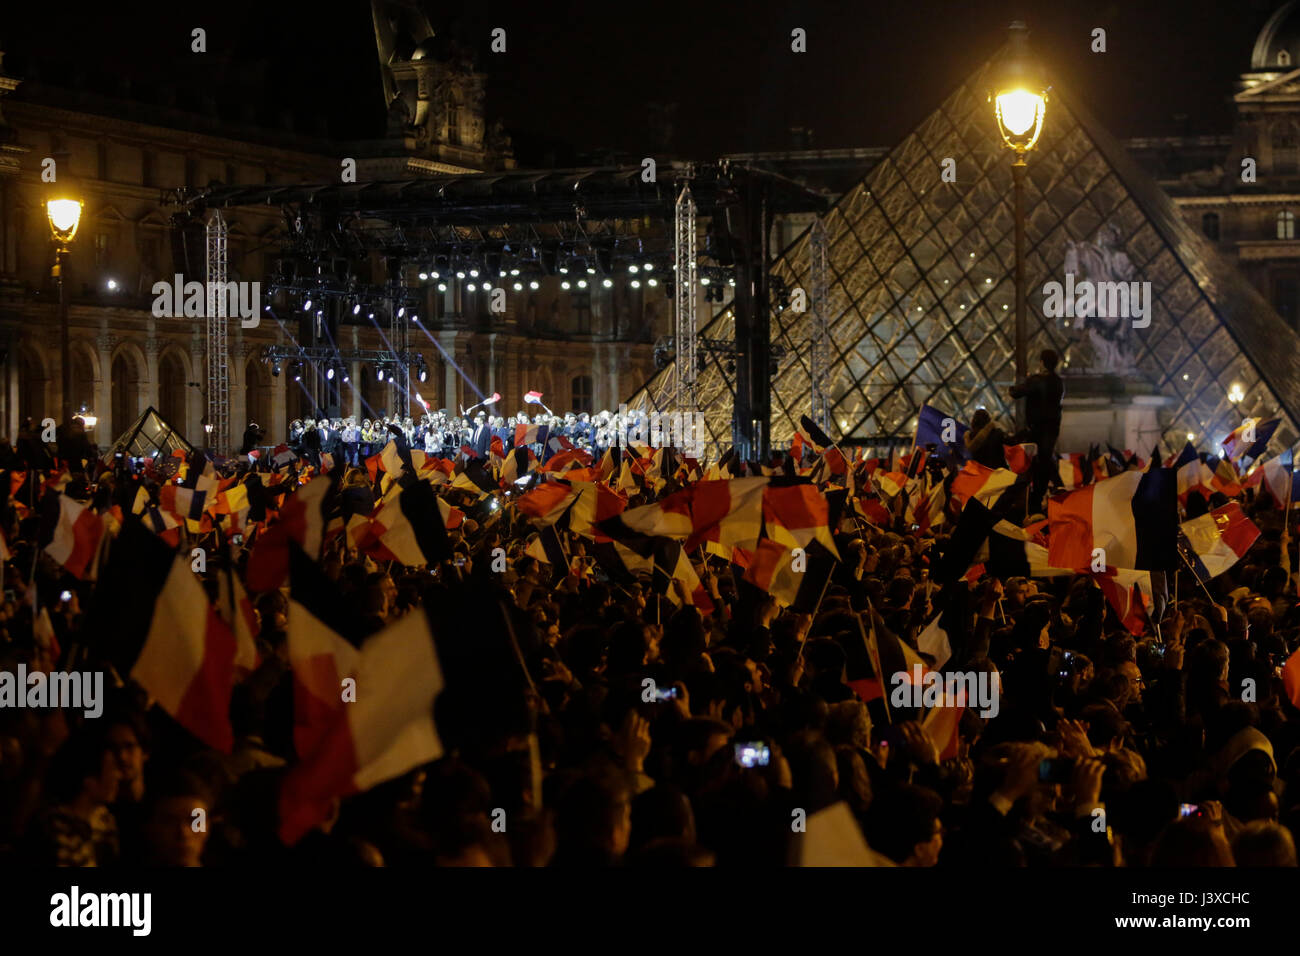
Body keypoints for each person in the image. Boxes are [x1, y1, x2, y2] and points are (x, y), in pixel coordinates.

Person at [1010, 349, 1064, 512]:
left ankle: (1029, 497)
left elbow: (1015, 392)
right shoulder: (1058, 382)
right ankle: (1052, 487)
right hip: (1053, 428)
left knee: (1032, 463)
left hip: (1037, 429)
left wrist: (1023, 381)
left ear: (1042, 362)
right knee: (1045, 460)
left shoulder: (1037, 380)